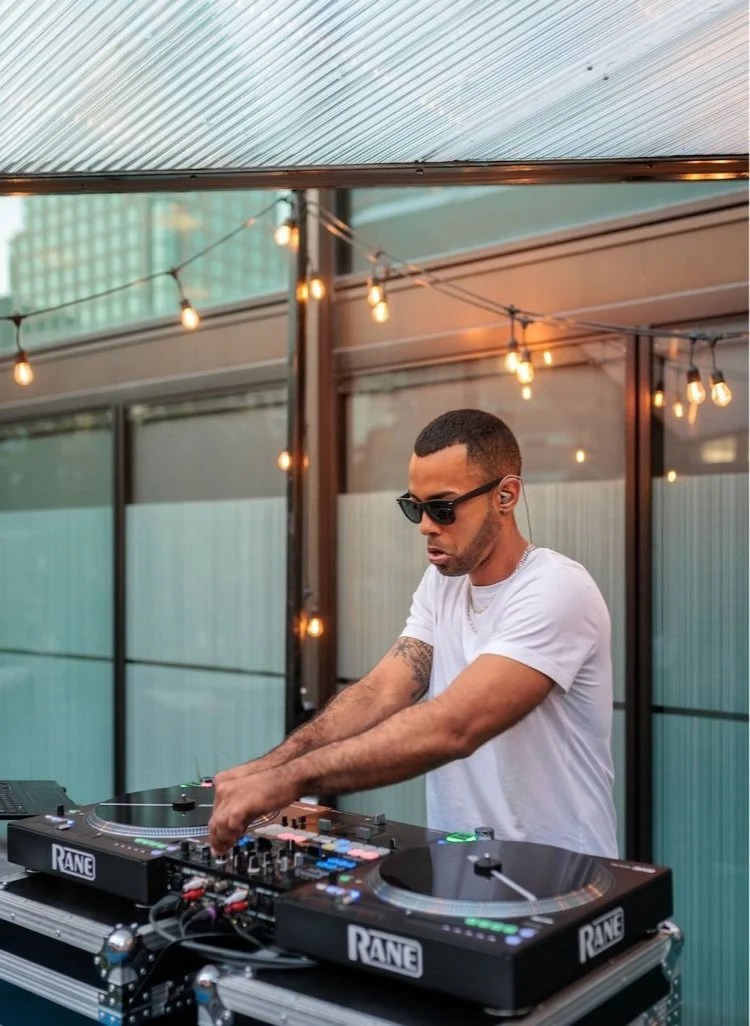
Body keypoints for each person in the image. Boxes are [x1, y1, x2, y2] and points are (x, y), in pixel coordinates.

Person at [209, 409, 618, 858]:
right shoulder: (442, 584)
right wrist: (266, 768)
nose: (425, 525)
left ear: (505, 495)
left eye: (442, 507)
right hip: (459, 865)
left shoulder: (556, 587)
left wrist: (288, 781)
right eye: (415, 506)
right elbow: (381, 692)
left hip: (558, 873)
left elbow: (455, 726)